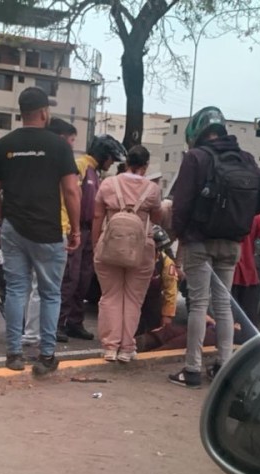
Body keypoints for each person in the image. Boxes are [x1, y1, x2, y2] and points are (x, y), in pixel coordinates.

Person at [169, 106, 260, 388]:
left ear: (196, 133)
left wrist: (179, 234)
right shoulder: (245, 158)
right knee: (223, 304)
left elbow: (180, 204)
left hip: (199, 241)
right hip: (232, 243)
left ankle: (191, 369)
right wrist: (243, 214)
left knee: (198, 305)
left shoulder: (196, 158)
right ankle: (223, 366)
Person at [0, 87, 81, 376]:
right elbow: (71, 192)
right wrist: (76, 230)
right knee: (51, 294)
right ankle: (46, 356)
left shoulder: (3, 145)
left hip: (14, 228)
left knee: (16, 289)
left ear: (21, 112)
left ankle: (14, 353)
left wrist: (4, 219)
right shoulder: (59, 146)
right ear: (43, 113)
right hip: (48, 230)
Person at [92, 144, 163, 362]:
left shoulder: (107, 184)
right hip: (141, 247)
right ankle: (126, 348)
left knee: (110, 296)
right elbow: (158, 219)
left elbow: (97, 216)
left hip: (110, 244)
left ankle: (110, 347)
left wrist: (96, 244)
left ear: (127, 162)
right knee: (133, 298)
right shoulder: (152, 189)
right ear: (145, 165)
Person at [58, 134, 126, 342]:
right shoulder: (80, 166)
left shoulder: (95, 174)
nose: (112, 163)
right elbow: (68, 197)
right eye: (111, 158)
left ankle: (74, 322)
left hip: (89, 231)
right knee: (70, 278)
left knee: (84, 278)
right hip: (75, 228)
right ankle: (58, 322)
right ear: (103, 155)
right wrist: (71, 227)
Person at [22, 117, 78, 348]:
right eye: (71, 140)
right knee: (50, 289)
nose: (72, 145)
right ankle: (43, 337)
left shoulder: (33, 158)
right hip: (55, 229)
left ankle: (29, 333)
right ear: (61, 138)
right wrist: (75, 229)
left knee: (28, 286)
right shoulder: (60, 158)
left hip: (28, 226)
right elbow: (71, 194)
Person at [231, 214, 260, 334]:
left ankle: (228, 340)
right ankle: (251, 340)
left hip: (228, 267)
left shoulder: (228, 209)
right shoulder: (256, 216)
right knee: (249, 311)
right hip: (248, 267)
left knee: (226, 310)